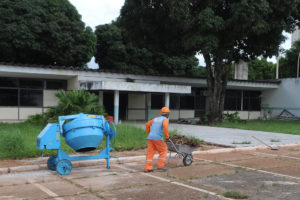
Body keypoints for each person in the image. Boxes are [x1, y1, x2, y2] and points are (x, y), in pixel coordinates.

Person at [144, 107, 170, 172]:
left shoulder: (155, 119)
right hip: (158, 138)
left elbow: (147, 124)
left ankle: (148, 168)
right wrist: (167, 137)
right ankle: (161, 166)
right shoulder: (165, 120)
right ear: (167, 114)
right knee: (163, 151)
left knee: (150, 152)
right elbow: (165, 127)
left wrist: (149, 133)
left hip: (150, 138)